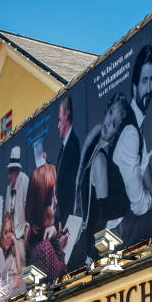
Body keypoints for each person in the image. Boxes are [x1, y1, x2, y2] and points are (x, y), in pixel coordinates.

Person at [74, 93, 130, 262]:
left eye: (114, 124)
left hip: (94, 244)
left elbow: (102, 213)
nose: (108, 124)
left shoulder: (100, 160)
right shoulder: (94, 152)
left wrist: (91, 254)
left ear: (117, 132)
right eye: (110, 113)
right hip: (88, 239)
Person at [112, 45, 152, 246]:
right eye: (144, 81)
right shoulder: (130, 131)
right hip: (121, 232)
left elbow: (143, 166)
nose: (149, 88)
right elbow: (139, 204)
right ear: (134, 86)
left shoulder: (135, 124)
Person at [25, 164, 69, 282]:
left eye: (55, 195)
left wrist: (55, 236)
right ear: (40, 208)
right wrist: (61, 248)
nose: (56, 202)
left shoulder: (32, 237)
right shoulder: (44, 248)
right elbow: (63, 277)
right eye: (50, 200)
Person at [55, 95, 81, 228]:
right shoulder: (64, 147)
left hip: (70, 221)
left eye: (60, 119)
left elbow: (71, 189)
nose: (58, 125)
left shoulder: (73, 145)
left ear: (66, 115)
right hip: (63, 220)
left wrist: (65, 222)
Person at [4, 145, 29, 266]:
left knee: (22, 265)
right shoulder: (9, 189)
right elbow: (6, 214)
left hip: (20, 235)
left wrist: (25, 235)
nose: (9, 176)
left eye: (11, 173)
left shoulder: (25, 181)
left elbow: (29, 209)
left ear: (16, 171)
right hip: (10, 236)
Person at [0, 213, 23, 297]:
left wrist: (15, 242)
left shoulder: (9, 255)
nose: (9, 236)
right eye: (5, 232)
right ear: (0, 235)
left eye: (10, 231)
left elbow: (19, 271)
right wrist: (12, 283)